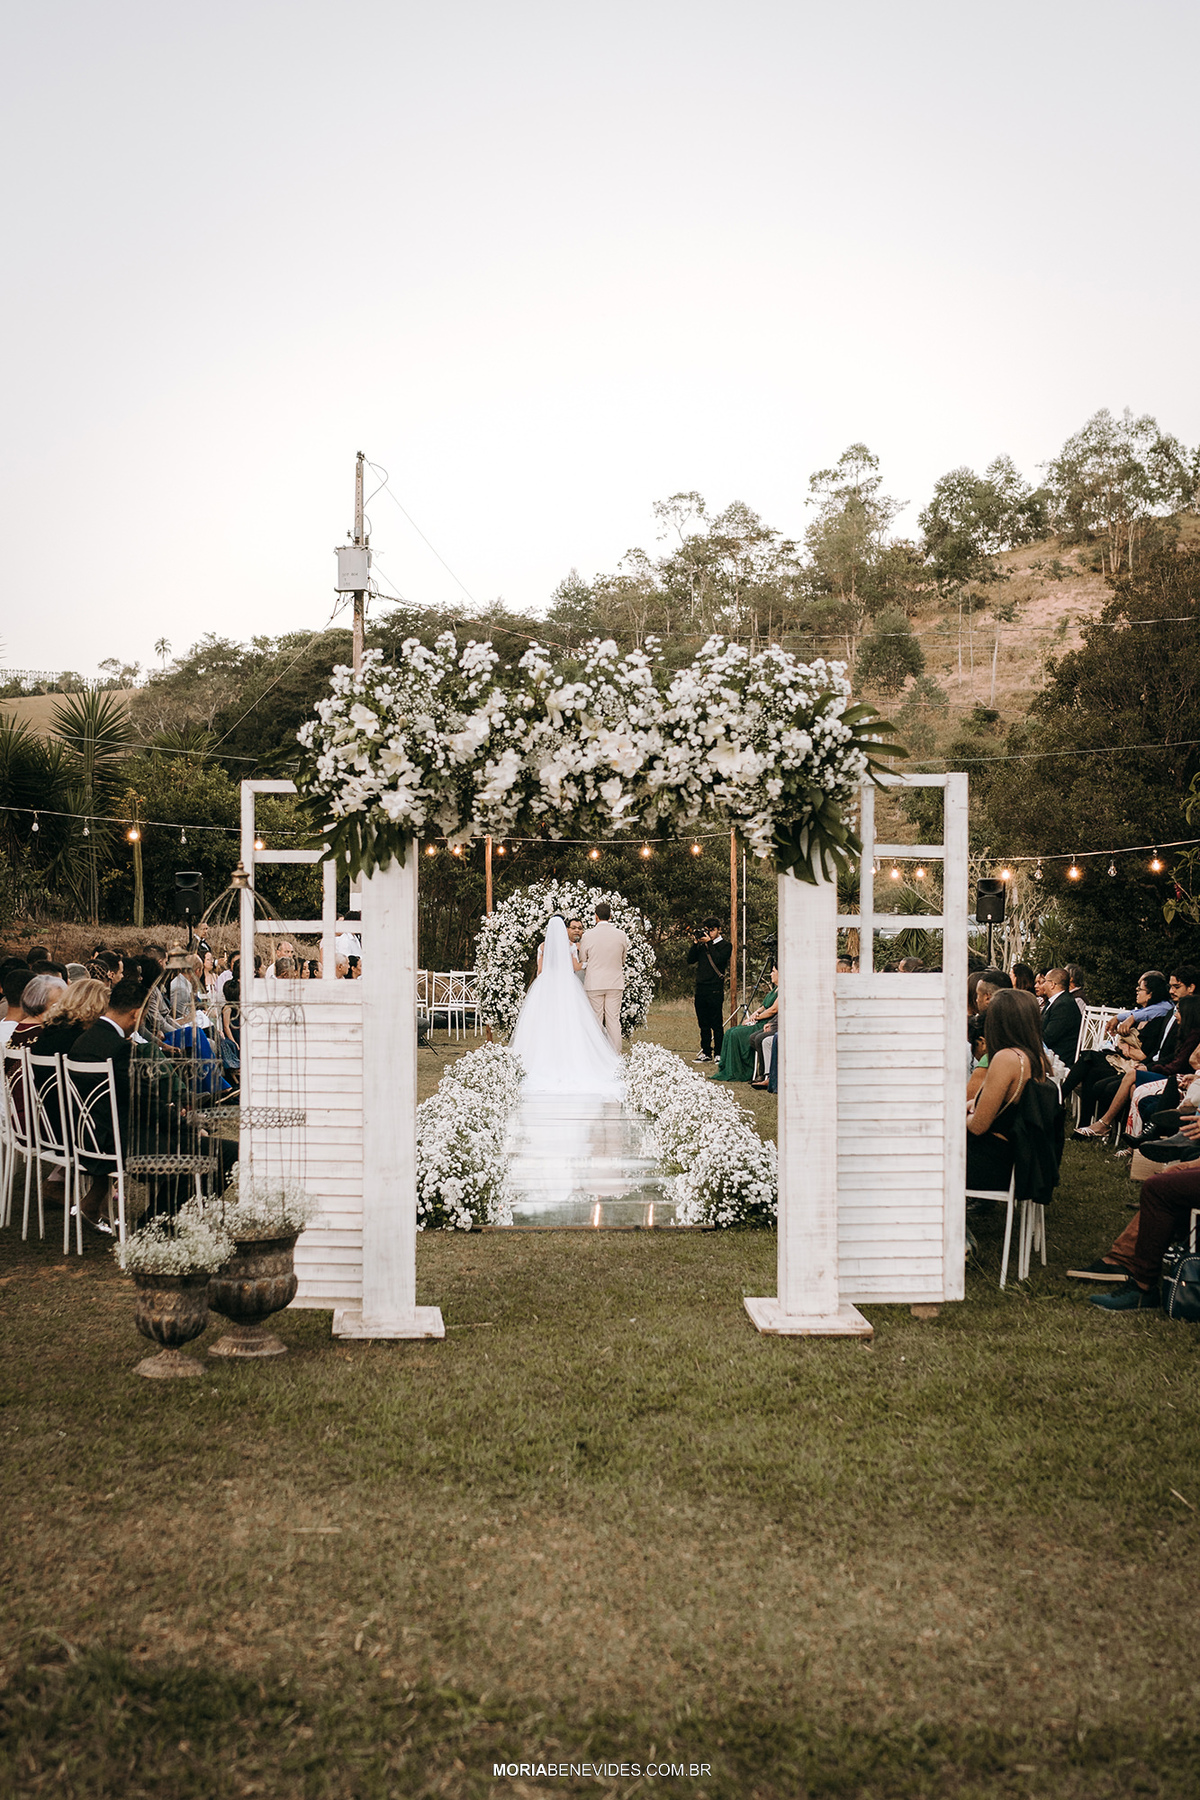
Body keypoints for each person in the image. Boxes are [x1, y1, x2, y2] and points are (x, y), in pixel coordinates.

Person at [509, 915, 623, 1096]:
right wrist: (589, 963)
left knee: (544, 1022)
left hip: (546, 984)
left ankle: (541, 1058)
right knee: (569, 1020)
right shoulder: (570, 946)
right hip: (566, 984)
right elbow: (576, 968)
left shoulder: (542, 947)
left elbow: (540, 970)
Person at [966, 987, 1063, 1201]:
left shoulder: (1006, 1059)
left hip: (991, 1165)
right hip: (1018, 1161)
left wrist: (960, 1117)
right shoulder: (1037, 1058)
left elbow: (978, 1126)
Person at [577, 903, 629, 1053]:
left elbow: (583, 959)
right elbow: (623, 959)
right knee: (613, 1020)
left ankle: (596, 1054)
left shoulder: (588, 935)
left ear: (596, 916)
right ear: (610, 916)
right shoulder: (621, 934)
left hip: (594, 983)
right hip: (615, 982)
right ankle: (615, 1054)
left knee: (596, 1021)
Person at [713, 969, 777, 1084]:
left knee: (736, 1034)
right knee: (730, 1032)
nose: (771, 974)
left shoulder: (782, 991)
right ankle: (728, 1068)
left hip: (766, 1022)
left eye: (773, 971)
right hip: (759, 1019)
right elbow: (763, 1006)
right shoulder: (773, 990)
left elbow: (773, 1010)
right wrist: (752, 1016)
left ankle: (742, 1070)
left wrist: (757, 1018)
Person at [687, 917, 731, 1063]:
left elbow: (719, 959)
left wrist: (709, 943)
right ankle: (706, 1052)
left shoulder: (725, 945)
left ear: (719, 930)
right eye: (707, 930)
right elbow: (690, 960)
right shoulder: (702, 946)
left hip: (715, 989)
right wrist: (695, 943)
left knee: (716, 1023)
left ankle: (719, 1052)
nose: (709, 933)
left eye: (712, 930)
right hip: (701, 988)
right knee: (703, 1023)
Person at [1040, 968, 1082, 1066]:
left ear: (1052, 984)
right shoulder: (1055, 1002)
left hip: (1058, 1059)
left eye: (1045, 981)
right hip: (1048, 1052)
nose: (1042, 985)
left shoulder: (1064, 1005)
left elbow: (1049, 1037)